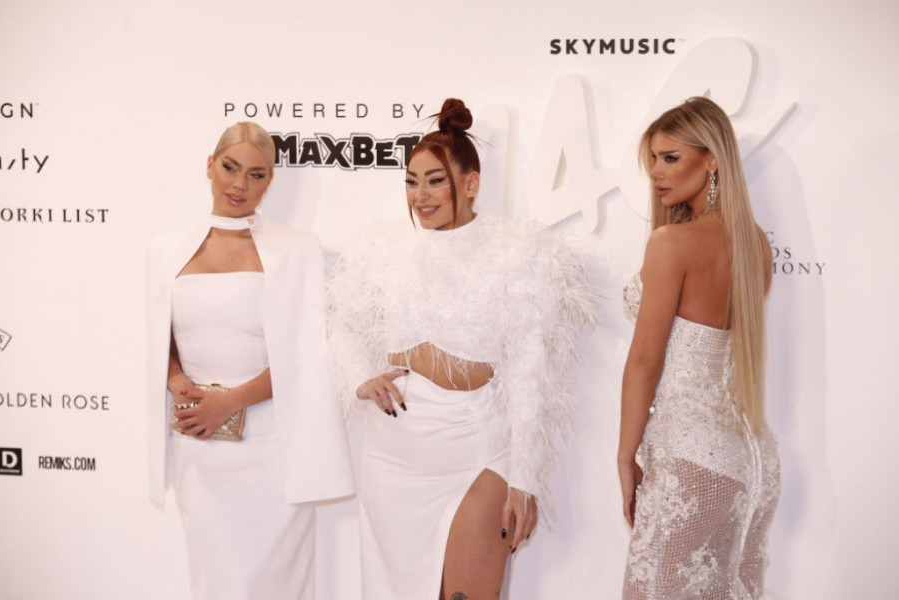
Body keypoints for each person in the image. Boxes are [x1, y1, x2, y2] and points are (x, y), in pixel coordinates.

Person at [328, 98, 594, 599]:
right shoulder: (380, 253)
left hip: (476, 449)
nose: (420, 195)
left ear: (471, 183)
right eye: (411, 181)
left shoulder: (519, 255)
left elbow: (529, 372)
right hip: (394, 456)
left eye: (435, 180)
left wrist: (524, 479)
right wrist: (360, 375)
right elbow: (339, 322)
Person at [146, 122, 354, 600]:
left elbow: (306, 354)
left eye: (256, 174)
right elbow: (159, 339)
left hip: (274, 447)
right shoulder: (166, 251)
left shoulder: (297, 249)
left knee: (275, 585)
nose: (240, 184)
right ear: (210, 166)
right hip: (201, 447)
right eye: (230, 167)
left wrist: (230, 402)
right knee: (216, 582)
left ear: (270, 181)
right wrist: (178, 382)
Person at [618, 97, 781, 599]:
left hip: (688, 461)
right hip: (751, 460)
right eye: (653, 158)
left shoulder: (671, 242)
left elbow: (645, 362)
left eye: (671, 157)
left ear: (712, 160)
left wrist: (625, 456)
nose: (656, 172)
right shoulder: (755, 244)